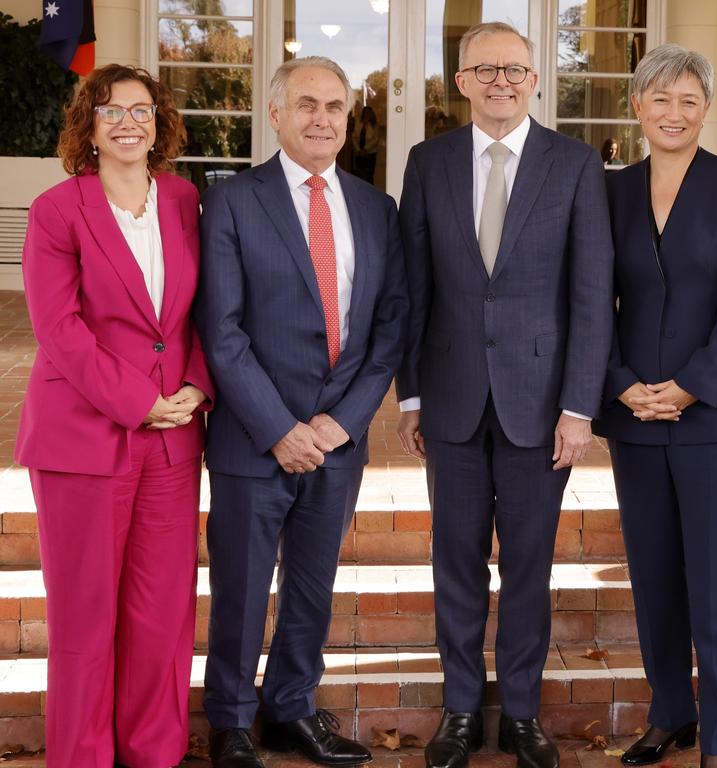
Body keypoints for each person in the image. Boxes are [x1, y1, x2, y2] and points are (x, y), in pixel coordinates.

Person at [395, 21, 613, 768]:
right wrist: (411, 395)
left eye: (515, 70)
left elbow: (591, 294)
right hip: (451, 402)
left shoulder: (576, 164)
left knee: (529, 567)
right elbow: (413, 287)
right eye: (484, 70)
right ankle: (460, 710)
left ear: (534, 80)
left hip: (541, 407)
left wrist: (579, 406)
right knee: (454, 563)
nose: (500, 82)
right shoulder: (428, 163)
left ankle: (520, 712)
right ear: (460, 82)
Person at [196, 56, 408, 768]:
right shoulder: (231, 201)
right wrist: (279, 428)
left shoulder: (377, 209)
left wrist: (342, 423)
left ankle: (290, 709)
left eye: (336, 107)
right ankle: (228, 721)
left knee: (312, 590)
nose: (323, 119)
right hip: (255, 440)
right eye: (308, 105)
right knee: (243, 590)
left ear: (350, 119)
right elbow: (220, 331)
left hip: (336, 443)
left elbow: (388, 330)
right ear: (277, 113)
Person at [16, 64, 213, 768]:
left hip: (173, 441)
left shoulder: (187, 201)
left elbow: (204, 313)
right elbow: (58, 329)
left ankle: (154, 753)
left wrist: (194, 384)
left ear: (159, 123)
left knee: (162, 617)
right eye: (111, 111)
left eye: (142, 110)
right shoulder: (58, 210)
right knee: (86, 618)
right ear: (88, 126)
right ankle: (82, 757)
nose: (129, 122)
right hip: (85, 439)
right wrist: (139, 402)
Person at [592, 44, 717, 768]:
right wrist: (618, 379)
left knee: (713, 578)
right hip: (633, 410)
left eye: (688, 100)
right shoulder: (607, 190)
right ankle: (670, 713)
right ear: (637, 106)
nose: (673, 112)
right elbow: (591, 296)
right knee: (654, 573)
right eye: (660, 99)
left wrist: (694, 383)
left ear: (707, 110)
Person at [353, 105, 380, 185]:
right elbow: (354, 137)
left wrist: (365, 149)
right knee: (359, 173)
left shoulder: (374, 125)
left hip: (370, 153)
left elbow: (376, 139)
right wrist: (358, 149)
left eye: (369, 113)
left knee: (368, 174)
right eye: (365, 113)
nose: (367, 115)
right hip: (358, 152)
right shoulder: (358, 124)